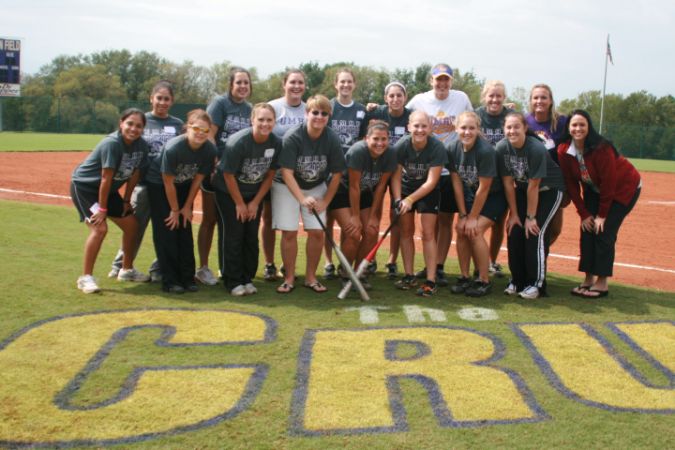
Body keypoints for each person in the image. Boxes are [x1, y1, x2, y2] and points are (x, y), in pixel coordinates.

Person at [557, 109, 641, 298]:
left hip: (623, 188)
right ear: (568, 128)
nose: (578, 128)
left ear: (589, 127)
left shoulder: (601, 148)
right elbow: (571, 184)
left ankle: (602, 282)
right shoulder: (563, 150)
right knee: (587, 229)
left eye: (582, 125)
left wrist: (602, 216)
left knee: (603, 231)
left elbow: (609, 183)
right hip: (593, 189)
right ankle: (588, 279)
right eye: (574, 125)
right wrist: (584, 214)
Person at [108, 80, 183, 283]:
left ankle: (159, 267)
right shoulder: (141, 120)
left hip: (165, 185)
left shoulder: (177, 124)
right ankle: (121, 265)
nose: (162, 102)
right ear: (151, 98)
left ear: (172, 101)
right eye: (159, 98)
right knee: (135, 226)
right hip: (142, 184)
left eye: (167, 99)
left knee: (165, 228)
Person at [406, 63, 473, 285]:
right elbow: (401, 117)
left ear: (451, 82)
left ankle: (439, 265)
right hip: (427, 171)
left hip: (451, 169)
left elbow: (472, 120)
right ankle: (429, 265)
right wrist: (374, 109)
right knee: (429, 224)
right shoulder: (419, 100)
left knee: (445, 220)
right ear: (431, 81)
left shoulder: (461, 98)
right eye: (438, 80)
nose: (442, 84)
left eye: (446, 80)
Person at [272, 95, 346, 294]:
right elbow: (286, 173)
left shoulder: (331, 138)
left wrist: (325, 201)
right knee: (289, 232)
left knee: (317, 232)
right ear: (306, 113)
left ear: (328, 117)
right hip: (287, 187)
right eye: (315, 112)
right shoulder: (293, 136)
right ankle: (289, 277)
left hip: (316, 185)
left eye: (324, 113)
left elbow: (337, 173)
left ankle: (311, 277)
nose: (319, 117)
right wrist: (302, 199)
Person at [70, 108, 149, 293]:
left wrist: (126, 200)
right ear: (121, 123)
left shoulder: (141, 146)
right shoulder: (112, 144)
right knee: (100, 228)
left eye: (139, 126)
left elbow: (135, 174)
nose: (133, 129)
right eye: (130, 123)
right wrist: (103, 210)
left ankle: (126, 270)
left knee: (132, 225)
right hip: (86, 188)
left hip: (108, 190)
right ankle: (85, 278)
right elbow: (106, 177)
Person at [213, 103, 281, 296]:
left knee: (251, 235)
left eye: (269, 120)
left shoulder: (275, 142)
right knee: (233, 234)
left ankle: (246, 277)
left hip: (254, 193)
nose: (265, 124)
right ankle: (231, 280)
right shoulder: (238, 142)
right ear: (252, 120)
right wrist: (240, 204)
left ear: (274, 122)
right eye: (260, 119)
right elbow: (227, 176)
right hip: (229, 193)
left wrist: (255, 202)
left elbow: (270, 175)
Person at [146, 109, 217, 293]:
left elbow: (197, 181)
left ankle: (187, 277)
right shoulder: (174, 147)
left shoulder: (209, 150)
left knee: (185, 228)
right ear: (188, 128)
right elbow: (168, 183)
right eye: (196, 128)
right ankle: (170, 280)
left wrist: (186, 207)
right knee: (168, 228)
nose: (201, 133)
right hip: (160, 186)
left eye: (205, 130)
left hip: (185, 185)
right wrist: (175, 210)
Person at [497, 112, 565, 299]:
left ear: (525, 128)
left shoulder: (535, 148)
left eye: (516, 127)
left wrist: (530, 217)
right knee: (515, 230)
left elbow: (535, 185)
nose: (512, 131)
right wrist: (514, 214)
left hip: (549, 190)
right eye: (508, 127)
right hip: (524, 191)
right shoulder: (502, 147)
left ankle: (536, 285)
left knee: (535, 231)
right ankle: (517, 280)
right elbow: (508, 183)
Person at [198, 67, 253, 286]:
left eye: (246, 83)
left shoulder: (249, 108)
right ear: (231, 85)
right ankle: (203, 267)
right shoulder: (220, 104)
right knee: (210, 219)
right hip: (216, 169)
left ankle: (227, 267)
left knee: (227, 221)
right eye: (238, 82)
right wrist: (215, 162)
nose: (242, 86)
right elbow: (209, 134)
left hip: (237, 173)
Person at [328, 120, 397, 288]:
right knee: (353, 231)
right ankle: (345, 272)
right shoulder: (358, 151)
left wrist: (374, 217)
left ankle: (359, 272)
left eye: (384, 139)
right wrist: (355, 216)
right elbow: (353, 186)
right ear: (367, 138)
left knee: (372, 231)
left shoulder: (390, 154)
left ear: (388, 140)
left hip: (366, 193)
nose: (380, 143)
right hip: (342, 192)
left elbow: (381, 187)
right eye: (375, 139)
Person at [447, 112, 507, 297]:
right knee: (461, 229)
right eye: (463, 128)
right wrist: (464, 215)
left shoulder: (485, 151)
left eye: (472, 128)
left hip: (494, 196)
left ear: (478, 130)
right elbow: (457, 183)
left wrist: (473, 218)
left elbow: (485, 187)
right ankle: (465, 277)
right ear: (456, 128)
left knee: (475, 231)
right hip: (471, 194)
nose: (467, 132)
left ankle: (483, 280)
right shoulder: (452, 148)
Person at [391, 111, 446, 297]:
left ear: (430, 127)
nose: (420, 130)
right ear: (409, 127)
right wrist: (399, 199)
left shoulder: (437, 147)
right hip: (406, 188)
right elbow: (396, 176)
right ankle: (409, 275)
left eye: (424, 126)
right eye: (416, 126)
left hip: (427, 191)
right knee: (406, 232)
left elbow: (431, 182)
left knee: (428, 233)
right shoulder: (401, 145)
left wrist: (410, 199)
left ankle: (431, 280)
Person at [263, 68, 307, 282]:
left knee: (292, 221)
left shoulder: (309, 110)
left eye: (300, 82)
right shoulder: (274, 106)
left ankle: (287, 263)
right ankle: (269, 263)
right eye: (292, 82)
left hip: (299, 174)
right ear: (284, 84)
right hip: (273, 171)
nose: (296, 86)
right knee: (269, 218)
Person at [324, 68, 368, 279]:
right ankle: (328, 262)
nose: (345, 85)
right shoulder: (329, 107)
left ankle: (344, 262)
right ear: (336, 84)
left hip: (351, 170)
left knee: (346, 224)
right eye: (342, 82)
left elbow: (364, 138)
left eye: (349, 82)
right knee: (327, 221)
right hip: (330, 171)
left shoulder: (361, 110)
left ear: (354, 84)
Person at [365, 81, 412, 279]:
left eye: (399, 95)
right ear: (386, 98)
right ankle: (371, 258)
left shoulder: (410, 115)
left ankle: (392, 260)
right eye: (391, 96)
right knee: (373, 213)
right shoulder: (376, 113)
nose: (395, 99)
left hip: (399, 171)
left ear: (405, 97)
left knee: (396, 215)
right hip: (376, 169)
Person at [475, 80, 514, 278]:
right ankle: (479, 262)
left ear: (504, 98)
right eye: (491, 95)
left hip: (504, 177)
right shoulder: (477, 115)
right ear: (485, 97)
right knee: (478, 221)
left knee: (499, 223)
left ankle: (491, 261)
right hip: (480, 178)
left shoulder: (510, 116)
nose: (495, 99)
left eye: (499, 96)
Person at [526, 84, 569, 247]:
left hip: (554, 182)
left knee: (555, 229)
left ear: (550, 100)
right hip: (531, 182)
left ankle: (540, 254)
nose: (539, 101)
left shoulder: (562, 122)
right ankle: (534, 258)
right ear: (530, 100)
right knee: (531, 223)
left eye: (544, 97)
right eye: (535, 97)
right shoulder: (526, 121)